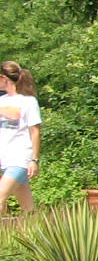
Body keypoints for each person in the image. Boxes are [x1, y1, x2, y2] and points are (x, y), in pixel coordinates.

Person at [0, 62, 42, 215]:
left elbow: (35, 132)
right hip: (6, 159)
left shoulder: (28, 101)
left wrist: (34, 160)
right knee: (28, 209)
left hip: (20, 159)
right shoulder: (2, 101)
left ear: (4, 78)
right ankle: (39, 234)